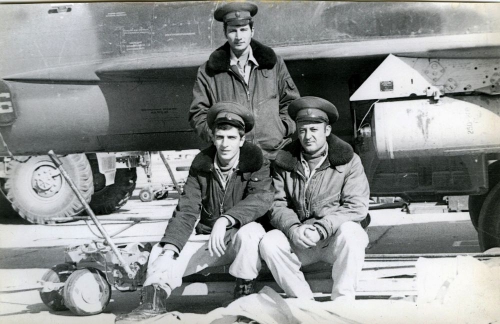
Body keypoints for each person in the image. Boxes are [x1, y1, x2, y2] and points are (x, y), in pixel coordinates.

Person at [116, 102, 273, 323]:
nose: (225, 144)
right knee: (163, 251)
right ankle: (152, 303)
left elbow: (261, 199)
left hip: (238, 237)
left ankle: (243, 296)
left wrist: (226, 220)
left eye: (231, 138)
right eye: (220, 137)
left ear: (241, 140)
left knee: (252, 232)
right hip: (209, 240)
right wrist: (172, 245)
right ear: (213, 138)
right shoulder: (201, 165)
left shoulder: (256, 163)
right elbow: (187, 209)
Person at [259, 96, 370, 302]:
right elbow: (276, 203)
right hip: (301, 239)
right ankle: (303, 301)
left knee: (353, 232)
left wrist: (321, 228)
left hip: (333, 240)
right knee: (269, 242)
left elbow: (357, 207)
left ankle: (343, 301)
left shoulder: (349, 161)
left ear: (326, 131)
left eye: (314, 130)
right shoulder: (284, 162)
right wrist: (293, 228)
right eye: (302, 130)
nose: (307, 136)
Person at [189, 1, 300, 160]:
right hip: (235, 160)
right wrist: (217, 137)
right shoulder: (208, 72)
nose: (239, 36)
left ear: (252, 31)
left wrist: (282, 128)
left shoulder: (274, 65)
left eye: (243, 30)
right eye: (233, 31)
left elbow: (291, 102)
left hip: (274, 155)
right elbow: (197, 114)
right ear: (225, 32)